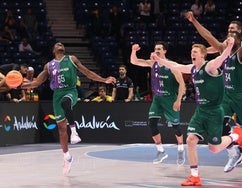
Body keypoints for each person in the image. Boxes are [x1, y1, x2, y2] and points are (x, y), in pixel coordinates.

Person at [152, 37, 242, 186]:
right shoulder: (193, 69)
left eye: (195, 51)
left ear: (203, 54)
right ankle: (195, 176)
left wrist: (229, 46)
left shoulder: (209, 66)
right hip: (200, 111)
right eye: (191, 51)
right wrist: (159, 59)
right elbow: (175, 65)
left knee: (214, 148)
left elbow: (222, 58)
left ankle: (237, 135)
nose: (192, 53)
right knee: (190, 140)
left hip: (214, 112)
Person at [185, 10, 242, 179]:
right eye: (228, 29)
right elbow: (208, 37)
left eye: (233, 29)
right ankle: (234, 151)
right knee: (220, 124)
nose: (230, 32)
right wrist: (194, 21)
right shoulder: (223, 49)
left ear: (239, 33)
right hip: (226, 94)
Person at [21, 42, 116, 175]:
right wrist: (20, 86)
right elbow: (36, 83)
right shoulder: (49, 66)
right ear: (54, 50)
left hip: (71, 91)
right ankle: (67, 156)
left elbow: (87, 73)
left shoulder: (72, 59)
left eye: (61, 44)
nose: (60, 44)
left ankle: (74, 131)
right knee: (61, 129)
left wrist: (104, 79)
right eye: (57, 44)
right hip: (57, 95)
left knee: (66, 103)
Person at [131, 42, 186, 165]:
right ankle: (161, 151)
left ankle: (181, 149)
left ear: (164, 51)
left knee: (176, 127)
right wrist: (134, 50)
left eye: (159, 49)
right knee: (152, 123)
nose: (157, 51)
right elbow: (134, 62)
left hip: (170, 98)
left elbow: (182, 83)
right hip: (157, 98)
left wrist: (178, 100)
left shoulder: (171, 66)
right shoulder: (152, 63)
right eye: (155, 49)